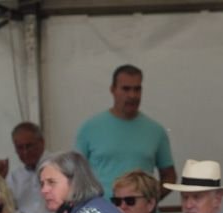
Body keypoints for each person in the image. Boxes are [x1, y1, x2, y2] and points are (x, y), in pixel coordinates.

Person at [75, 64, 177, 196]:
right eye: (126, 89)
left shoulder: (156, 131)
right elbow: (75, 175)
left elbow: (169, 176)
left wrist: (150, 199)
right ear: (113, 90)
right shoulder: (89, 129)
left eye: (137, 89)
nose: (132, 95)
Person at [0, 122, 54, 213]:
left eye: (29, 146)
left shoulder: (58, 166)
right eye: (20, 148)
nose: (25, 152)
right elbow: (2, 208)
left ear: (42, 142)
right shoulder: (15, 177)